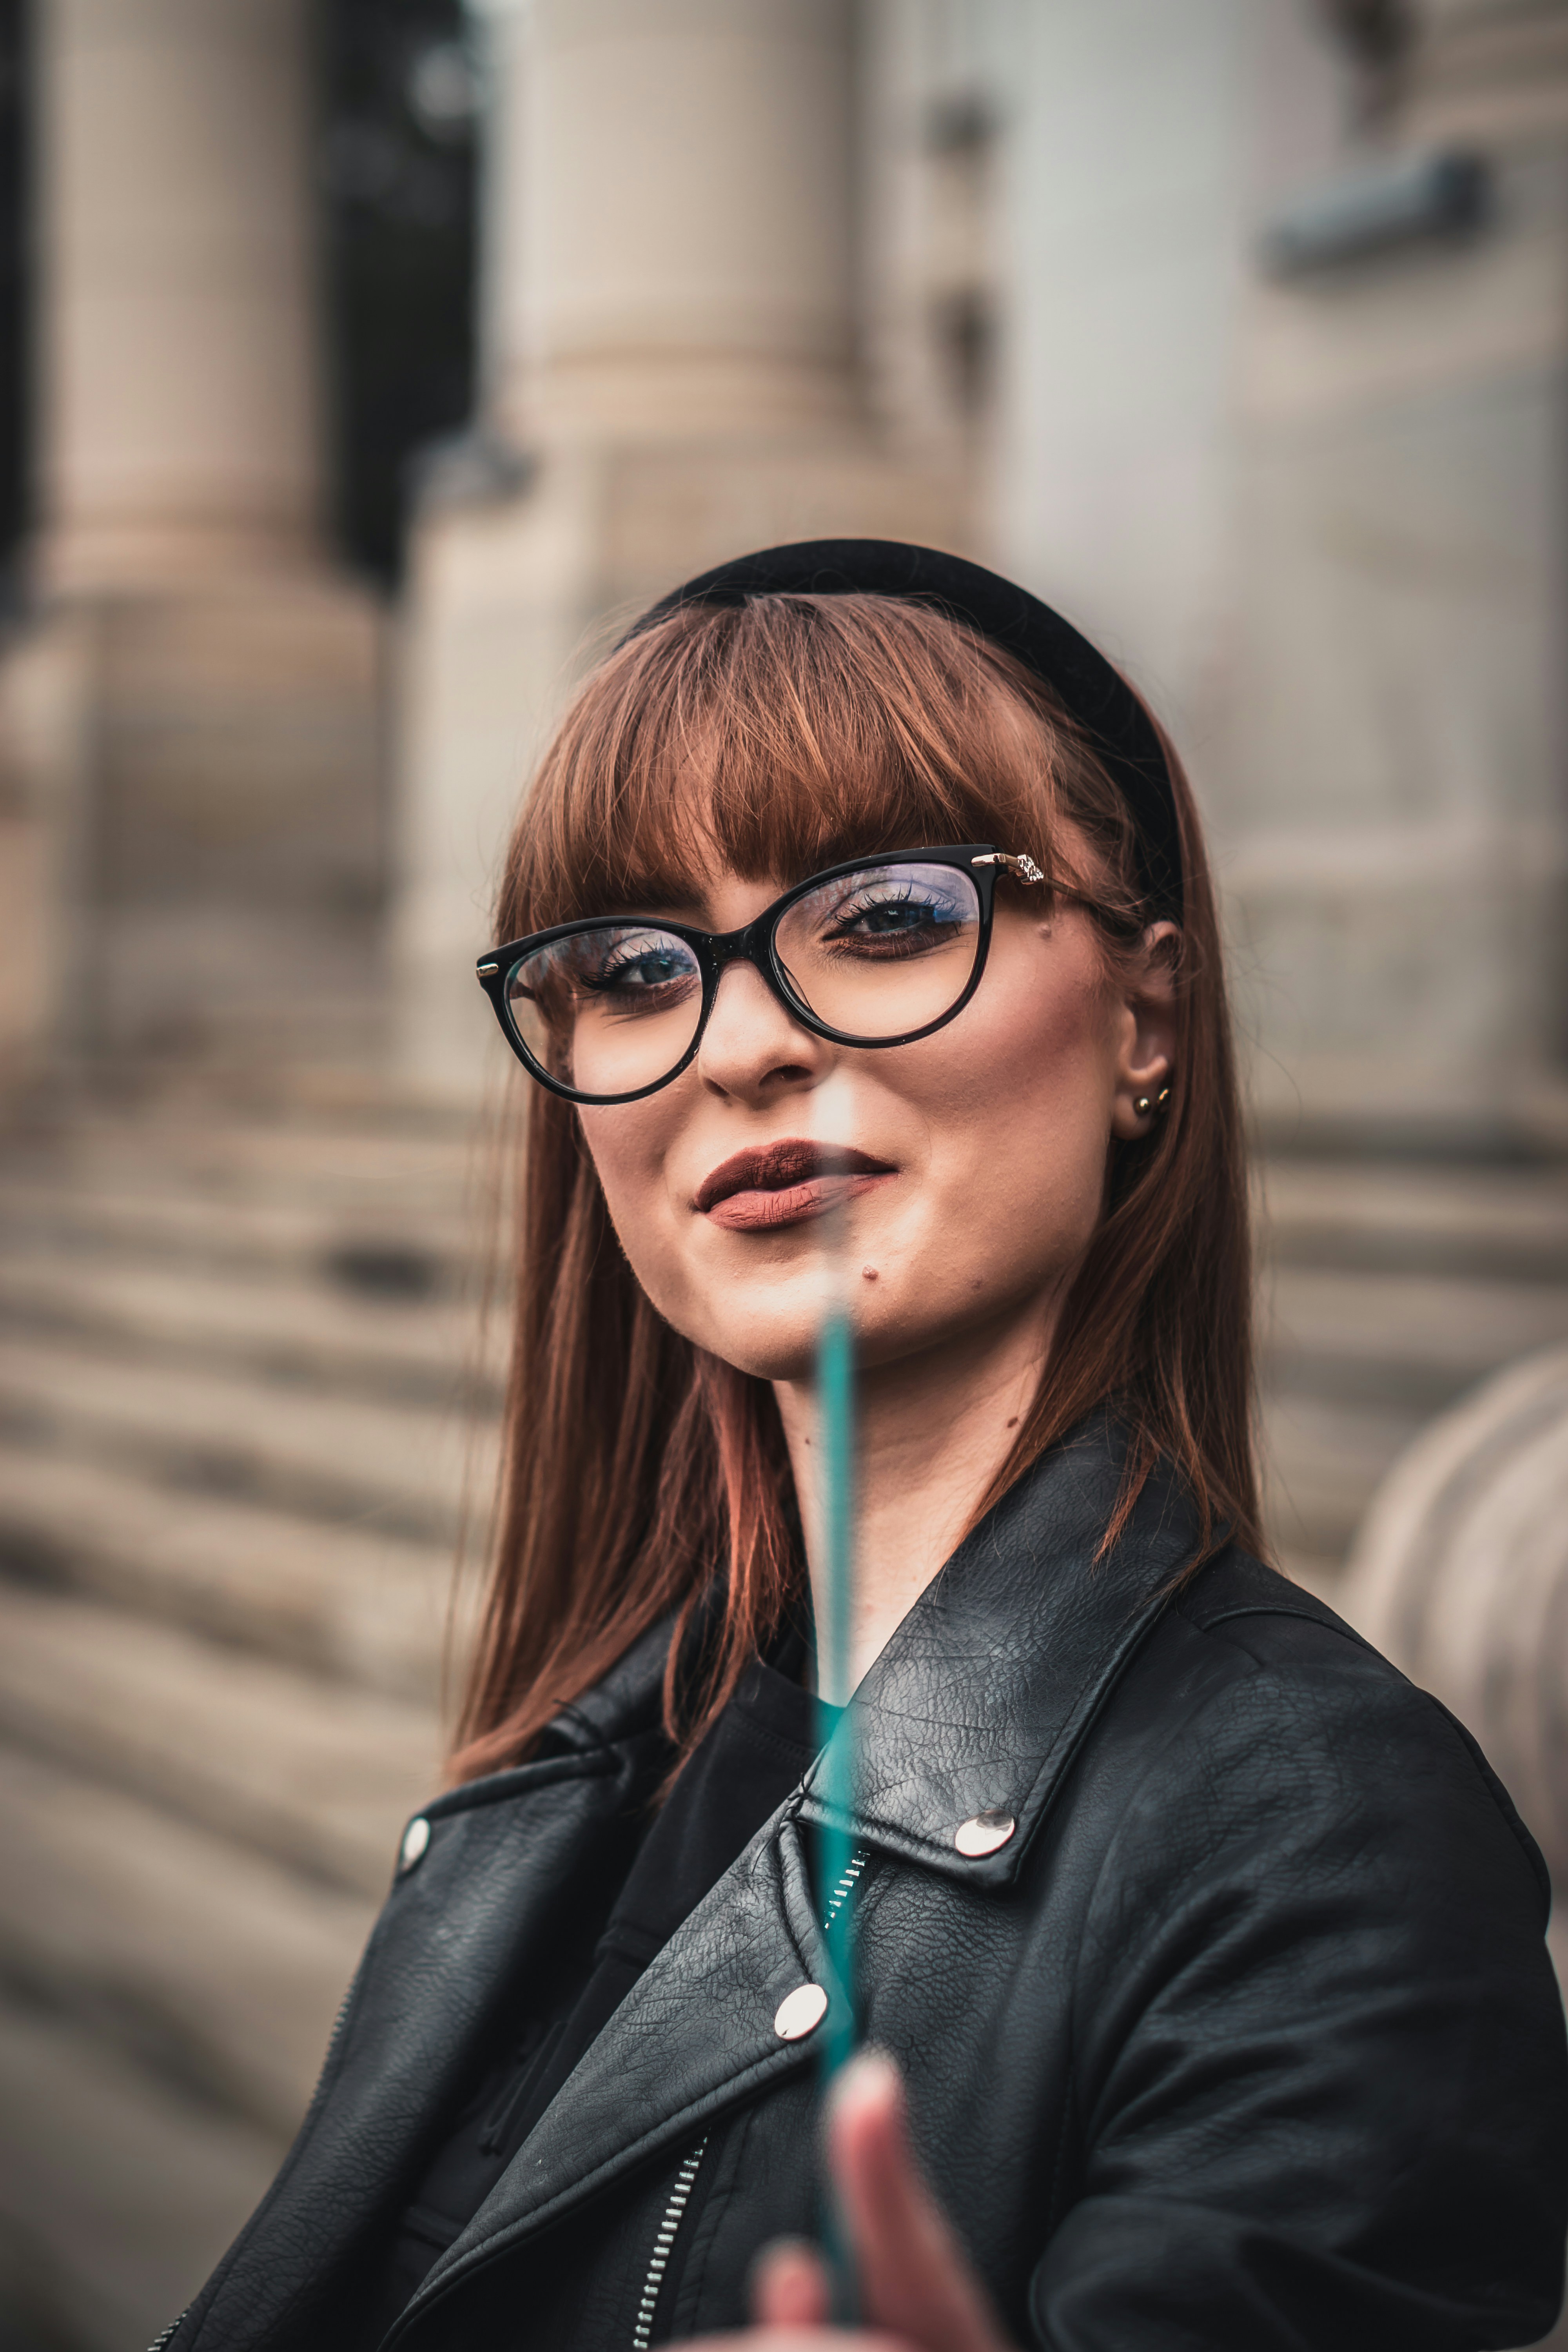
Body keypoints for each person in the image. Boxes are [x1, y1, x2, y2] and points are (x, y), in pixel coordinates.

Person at [166, 543, 1568, 2352]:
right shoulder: (578, 1763)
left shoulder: (1324, 1840)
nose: (739, 1043)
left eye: (891, 916)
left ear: (1146, 1016)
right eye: (625, 967)